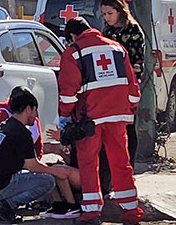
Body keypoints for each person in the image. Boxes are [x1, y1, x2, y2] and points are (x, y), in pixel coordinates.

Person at [58, 17, 144, 225]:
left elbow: (68, 93)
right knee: (121, 163)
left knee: (89, 164)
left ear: (72, 36)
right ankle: (131, 211)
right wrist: (128, 108)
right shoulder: (117, 48)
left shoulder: (74, 52)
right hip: (118, 116)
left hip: (90, 118)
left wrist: (65, 115)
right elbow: (133, 88)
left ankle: (91, 213)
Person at [0, 87, 80, 220]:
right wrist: (55, 172)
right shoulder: (21, 133)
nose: (35, 116)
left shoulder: (5, 125)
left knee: (41, 173)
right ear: (28, 109)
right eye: (35, 110)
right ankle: (6, 205)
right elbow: (33, 166)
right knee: (47, 181)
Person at [100, 0, 145, 188]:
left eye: (110, 13)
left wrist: (129, 86)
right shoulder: (107, 31)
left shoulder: (133, 30)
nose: (107, 17)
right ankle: (108, 176)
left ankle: (129, 169)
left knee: (127, 128)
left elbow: (137, 62)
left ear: (120, 11)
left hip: (127, 87)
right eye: (104, 14)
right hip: (108, 87)